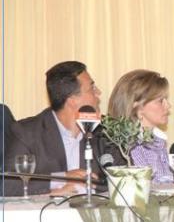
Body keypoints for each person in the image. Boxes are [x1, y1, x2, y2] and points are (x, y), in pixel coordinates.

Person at [5, 61, 114, 195]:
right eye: (92, 88)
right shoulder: (26, 132)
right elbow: (7, 184)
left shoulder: (107, 130)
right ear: (72, 99)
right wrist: (61, 179)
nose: (98, 92)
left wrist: (86, 185)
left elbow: (123, 176)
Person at [107, 69, 173, 184]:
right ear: (137, 106)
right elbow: (146, 187)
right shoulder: (130, 147)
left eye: (166, 100)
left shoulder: (158, 142)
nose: (168, 106)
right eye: (160, 101)